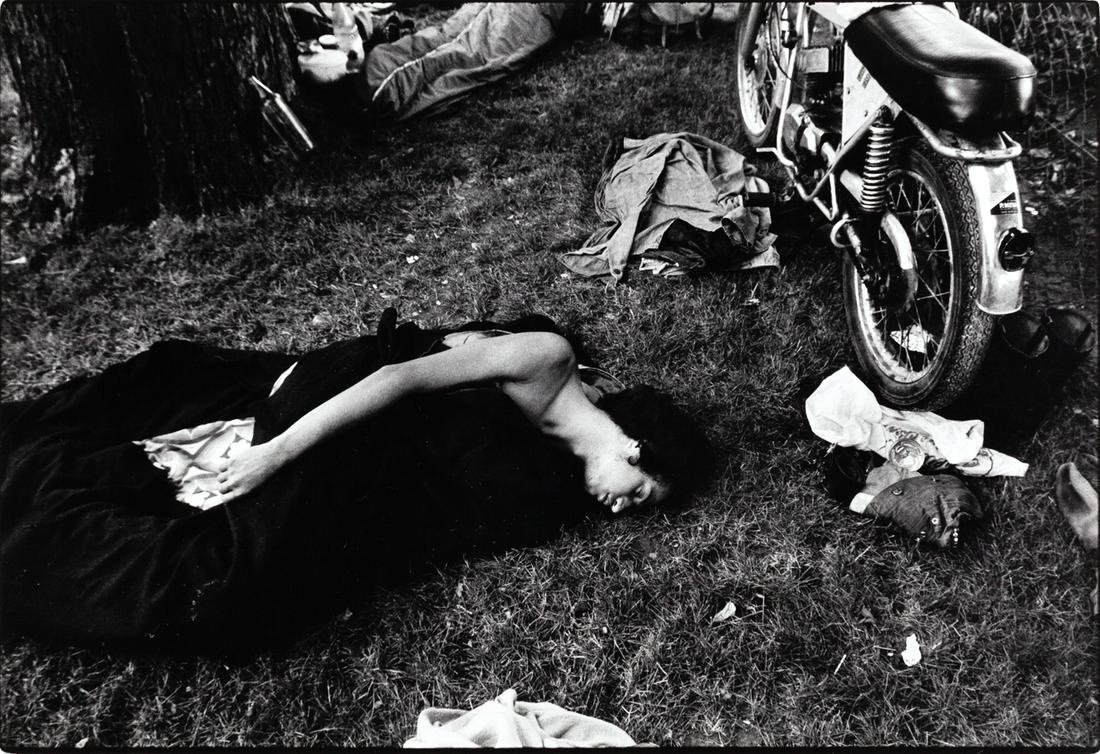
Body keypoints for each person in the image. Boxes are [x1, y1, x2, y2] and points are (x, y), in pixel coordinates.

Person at [0, 309, 712, 657]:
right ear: (636, 446)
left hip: (375, 463)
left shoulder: (560, 474)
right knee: (216, 582)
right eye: (640, 493)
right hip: (354, 398)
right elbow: (398, 377)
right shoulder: (547, 360)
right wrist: (276, 455)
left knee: (253, 594)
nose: (622, 510)